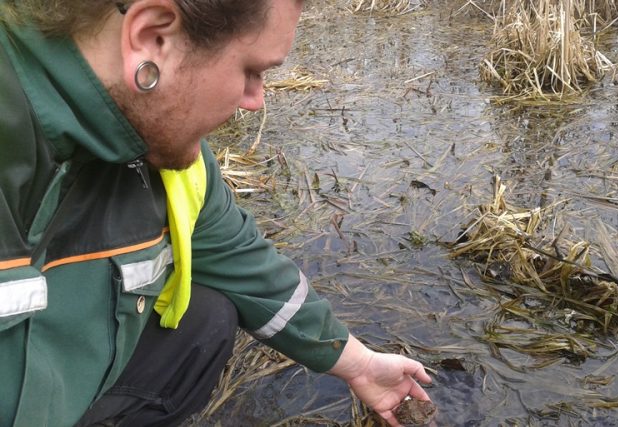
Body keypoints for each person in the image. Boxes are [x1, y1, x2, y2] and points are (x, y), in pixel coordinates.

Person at [0, 0, 432, 426]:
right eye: (251, 70)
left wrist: (358, 363)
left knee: (207, 318)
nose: (255, 100)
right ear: (152, 37)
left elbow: (242, 260)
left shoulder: (168, 151)